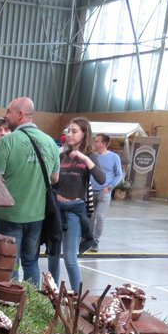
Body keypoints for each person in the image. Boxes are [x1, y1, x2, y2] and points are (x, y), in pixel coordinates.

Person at [0, 97, 59, 286]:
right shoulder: (51, 143)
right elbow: (55, 178)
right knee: (31, 262)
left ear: (20, 114)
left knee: (10, 263)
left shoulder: (6, 143)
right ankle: (30, 303)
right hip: (37, 215)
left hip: (9, 215)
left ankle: (11, 303)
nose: (5, 115)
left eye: (9, 111)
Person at [52, 117, 104, 291]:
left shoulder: (89, 157)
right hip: (57, 210)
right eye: (69, 131)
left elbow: (101, 178)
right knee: (52, 255)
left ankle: (78, 297)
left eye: (74, 131)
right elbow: (54, 182)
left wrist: (84, 158)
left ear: (84, 134)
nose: (70, 134)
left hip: (74, 212)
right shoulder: (62, 156)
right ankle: (51, 292)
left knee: (69, 257)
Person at [88, 133, 122, 252]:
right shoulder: (91, 156)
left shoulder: (114, 157)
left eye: (97, 141)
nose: (94, 143)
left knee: (100, 217)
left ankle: (96, 241)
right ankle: (89, 239)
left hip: (104, 192)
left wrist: (110, 186)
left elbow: (119, 175)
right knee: (90, 217)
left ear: (104, 144)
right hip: (91, 191)